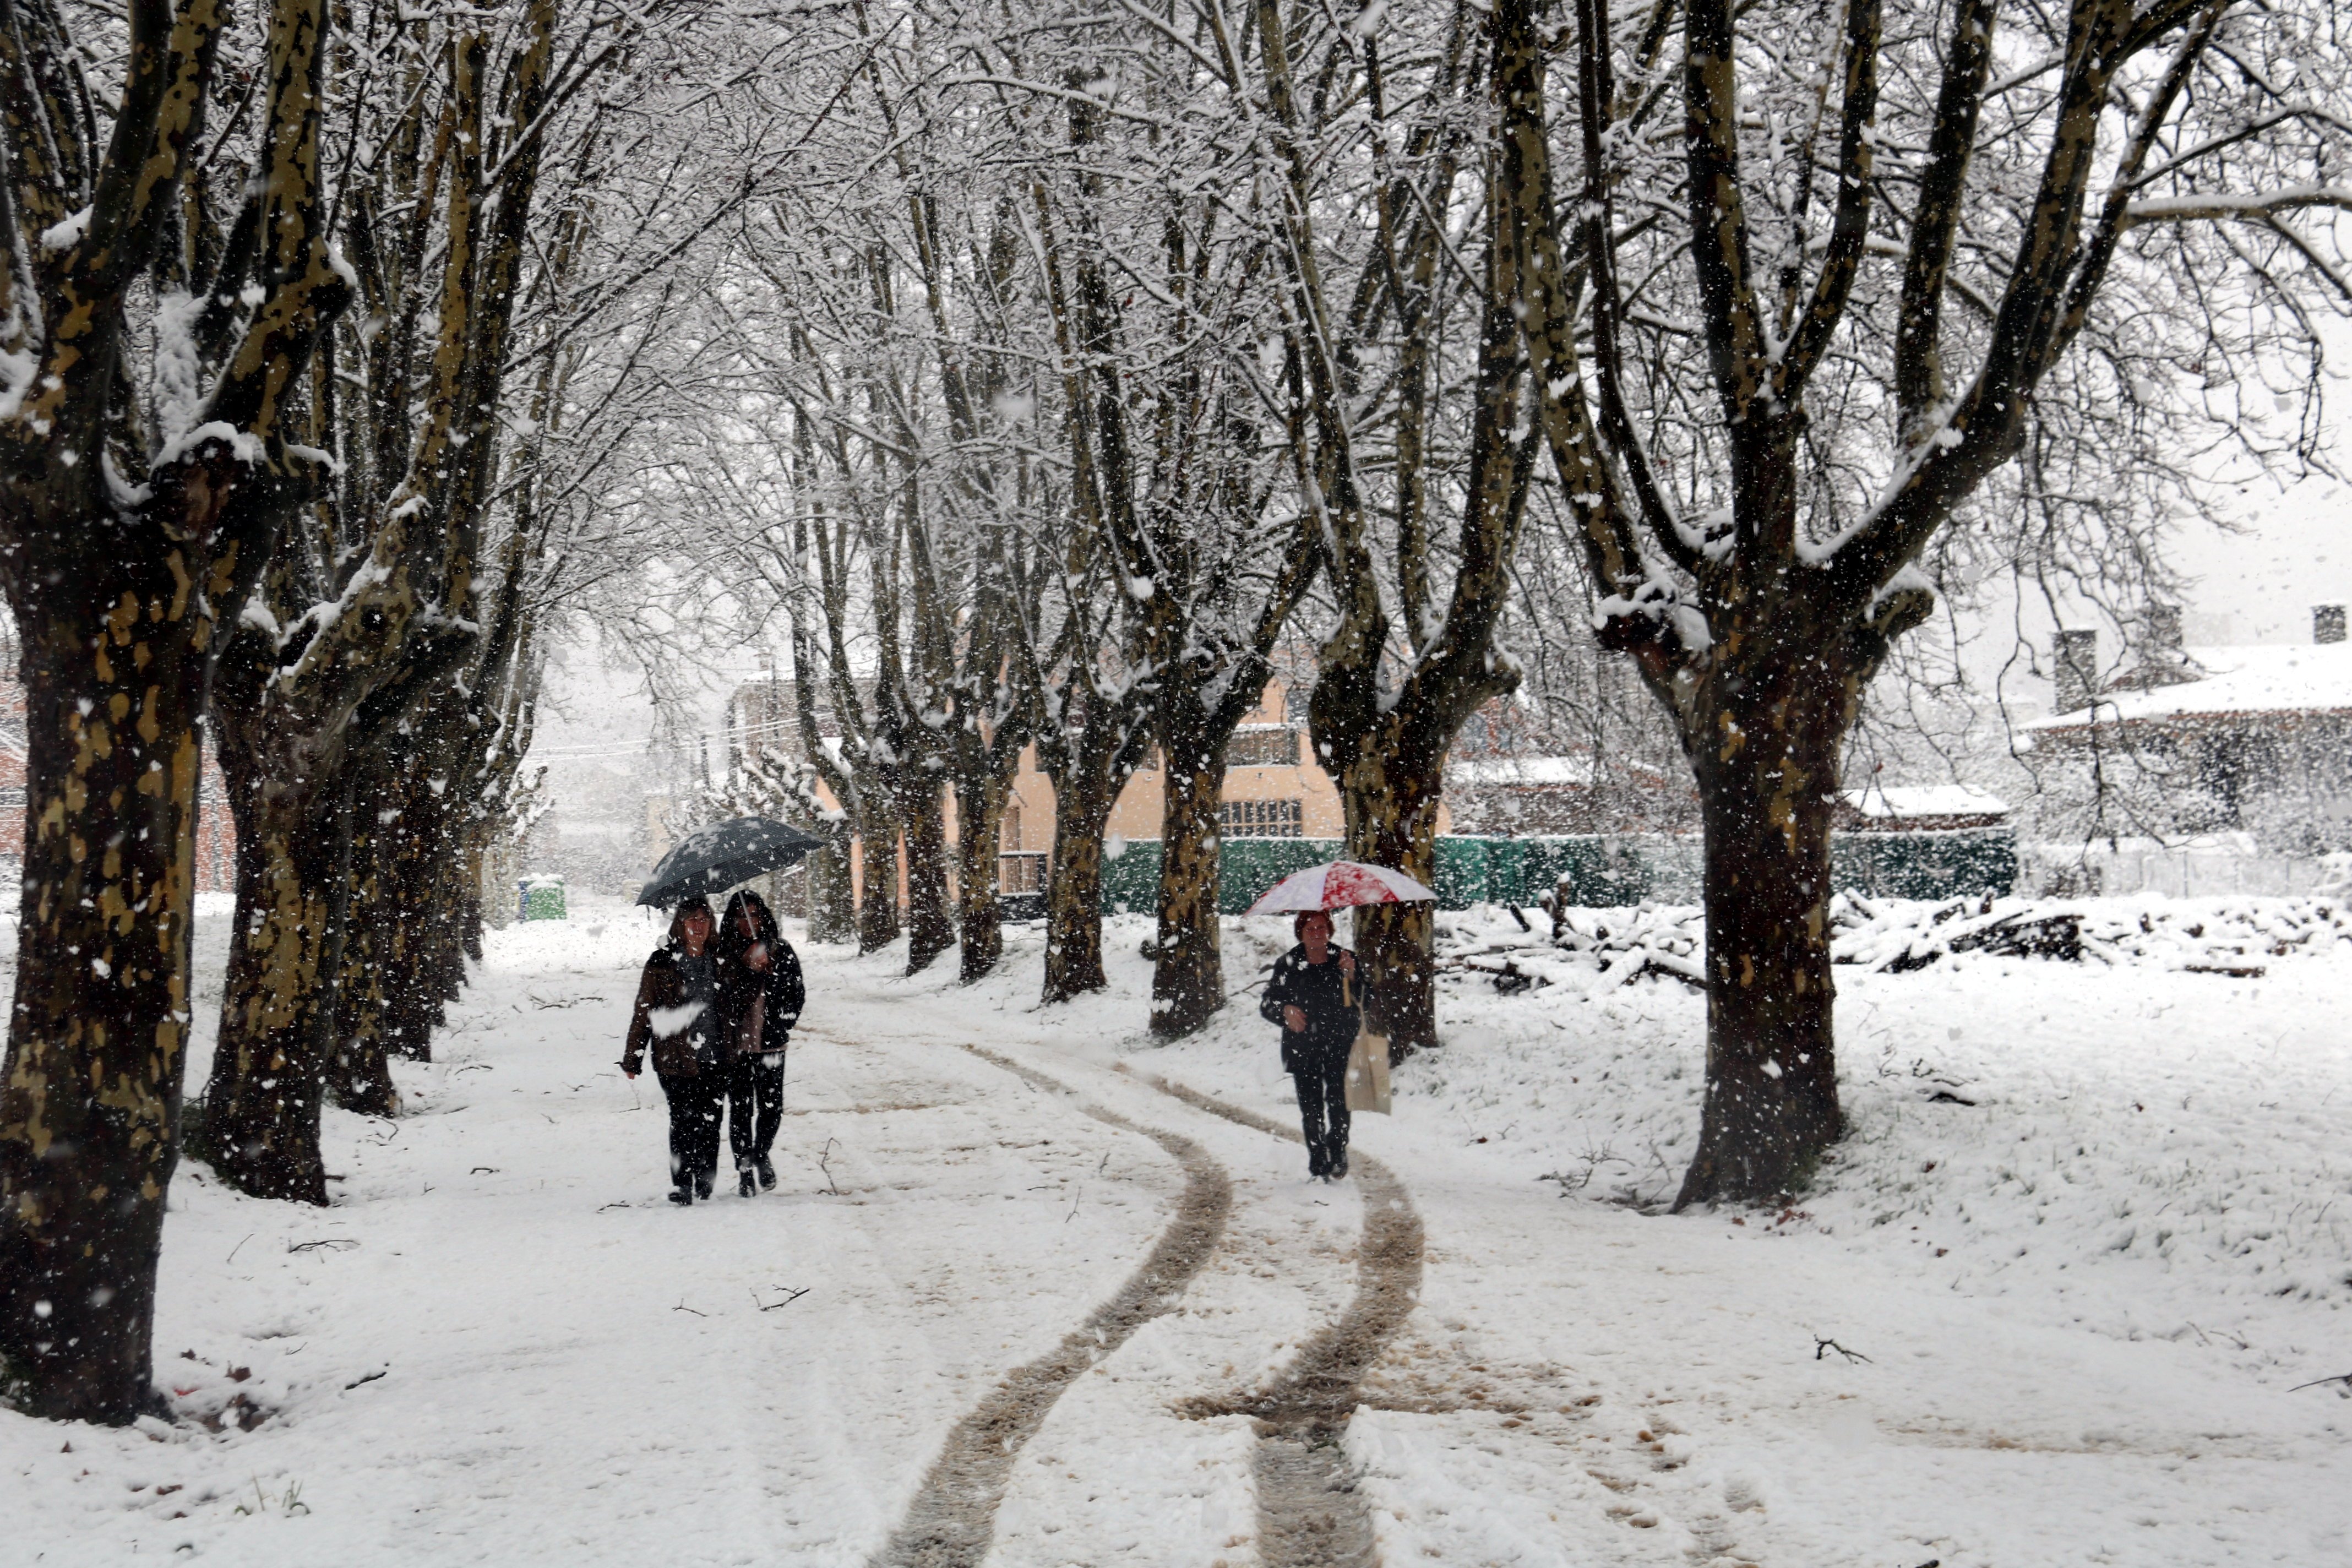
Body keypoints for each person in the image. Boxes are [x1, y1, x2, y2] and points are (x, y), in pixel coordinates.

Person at [622, 896, 726, 1205]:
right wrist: (633, 1056)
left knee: (711, 1120)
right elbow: (644, 1010)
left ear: (712, 924)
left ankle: (705, 1179)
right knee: (682, 1119)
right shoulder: (661, 961)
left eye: (704, 919)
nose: (698, 925)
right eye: (691, 919)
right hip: (675, 1055)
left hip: (716, 1054)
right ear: (679, 925)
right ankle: (682, 1184)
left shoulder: (721, 959)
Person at [1259, 910, 1363, 1181]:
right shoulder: (1289, 963)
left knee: (1340, 1102)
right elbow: (1268, 1003)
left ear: (1329, 930)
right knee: (1311, 1107)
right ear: (1300, 934)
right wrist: (1286, 1011)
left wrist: (1351, 976)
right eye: (1310, 929)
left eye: (1321, 928)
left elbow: (1364, 1000)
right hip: (1303, 1046)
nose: (1316, 933)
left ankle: (1337, 1148)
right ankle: (1318, 1161)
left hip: (1339, 1043)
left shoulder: (1344, 959)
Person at [716, 889, 805, 1197]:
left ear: (763, 917)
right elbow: (721, 998)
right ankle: (744, 1172)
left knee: (772, 1109)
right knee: (741, 1111)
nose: (748, 921)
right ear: (732, 919)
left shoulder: (781, 950)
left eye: (754, 915)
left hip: (771, 1045)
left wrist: (782, 1019)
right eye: (742, 915)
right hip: (737, 1048)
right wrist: (746, 970)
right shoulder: (723, 954)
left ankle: (761, 1153)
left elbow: (796, 994)